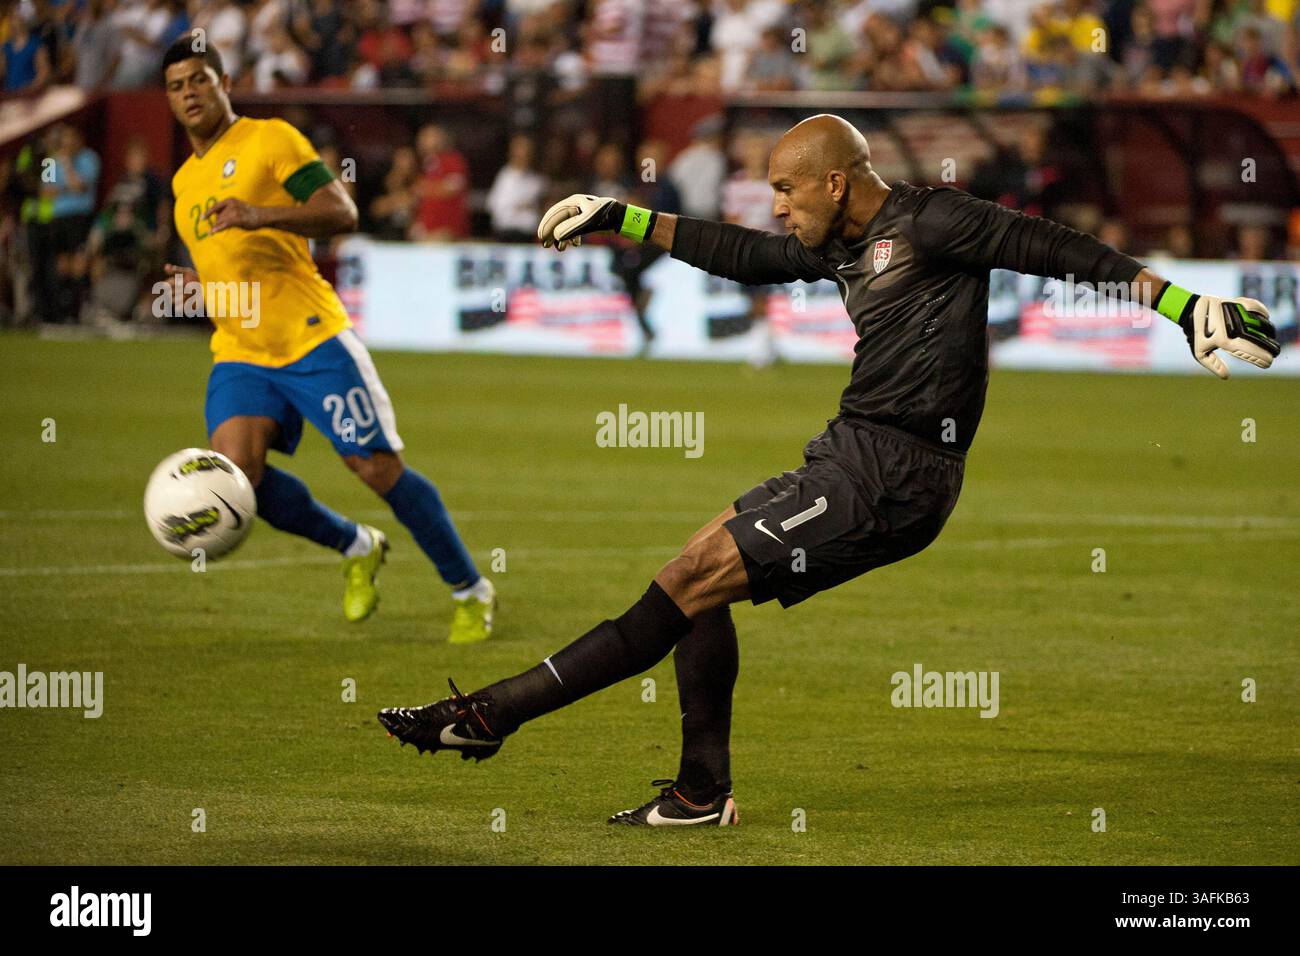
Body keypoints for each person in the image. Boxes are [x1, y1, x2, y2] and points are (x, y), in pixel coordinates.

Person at [377, 114, 1280, 825]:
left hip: (901, 475)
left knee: (693, 575)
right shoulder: (837, 243)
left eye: (784, 188)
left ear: (836, 180)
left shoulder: (933, 218)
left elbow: (1054, 248)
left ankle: (493, 715)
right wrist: (624, 215)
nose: (776, 204)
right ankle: (697, 796)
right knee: (698, 574)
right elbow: (750, 258)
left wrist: (1180, 302)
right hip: (850, 450)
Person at [160, 33, 496, 643]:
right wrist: (199, 282)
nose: (190, 95)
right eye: (177, 86)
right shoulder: (184, 184)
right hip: (240, 350)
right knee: (239, 474)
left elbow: (342, 212)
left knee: (374, 467)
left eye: (200, 81)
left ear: (225, 84)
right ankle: (356, 544)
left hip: (311, 336)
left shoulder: (271, 140)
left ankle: (471, 589)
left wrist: (260, 214)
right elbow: (231, 263)